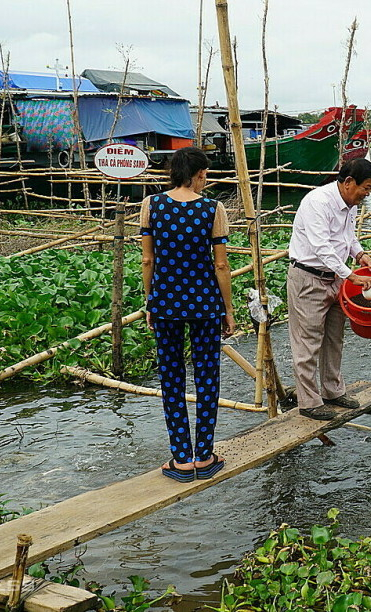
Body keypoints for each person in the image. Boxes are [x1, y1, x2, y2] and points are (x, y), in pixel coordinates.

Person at [140, 146, 236, 483]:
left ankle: (181, 459)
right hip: (205, 304)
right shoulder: (213, 209)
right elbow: (221, 264)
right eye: (205, 174)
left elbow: (148, 260)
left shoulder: (152, 205)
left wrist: (151, 300)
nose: (205, 180)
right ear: (196, 174)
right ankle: (205, 456)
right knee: (207, 378)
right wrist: (228, 308)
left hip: (165, 304)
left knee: (172, 378)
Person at [287, 158, 371, 420]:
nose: (367, 194)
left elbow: (347, 236)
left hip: (336, 279)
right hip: (309, 278)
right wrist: (352, 276)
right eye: (366, 188)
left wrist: (359, 254)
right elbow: (321, 246)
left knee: (334, 337)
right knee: (307, 342)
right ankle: (309, 402)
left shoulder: (350, 204)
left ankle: (333, 391)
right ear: (348, 182)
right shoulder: (318, 202)